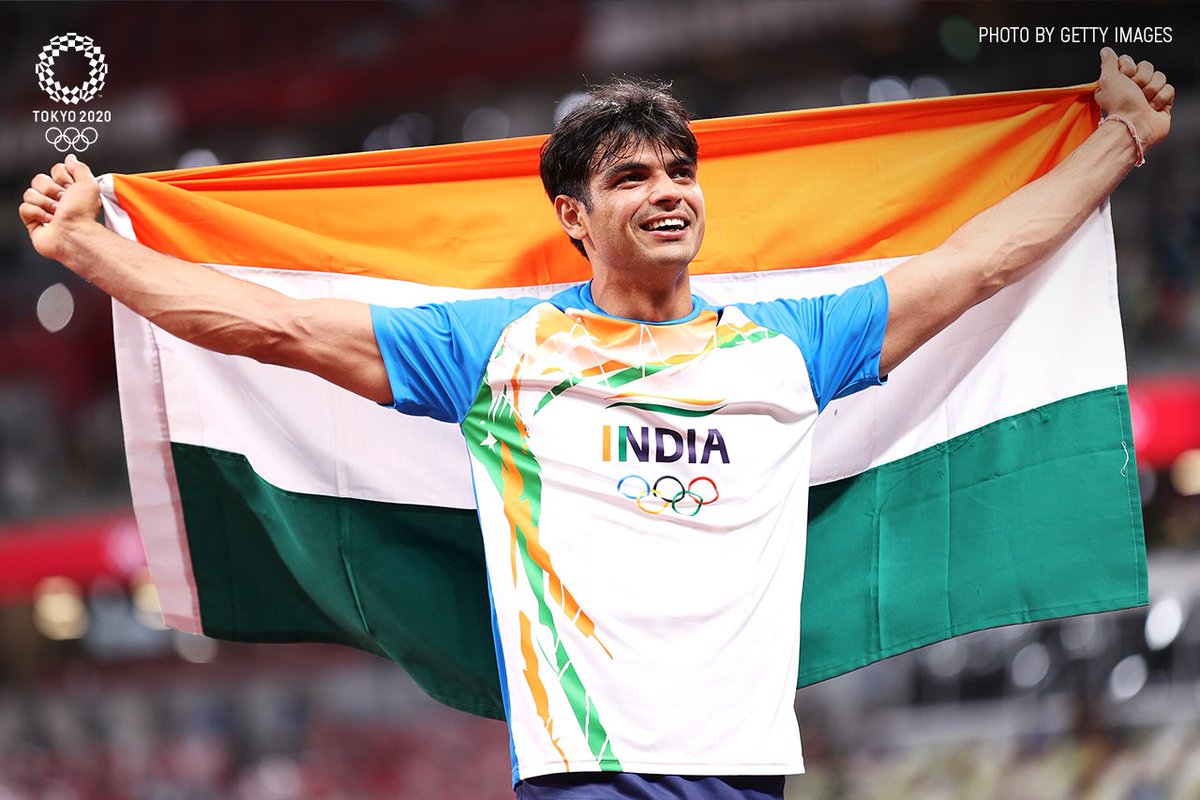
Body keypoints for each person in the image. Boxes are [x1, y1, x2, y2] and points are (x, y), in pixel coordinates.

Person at [18, 48, 1174, 799]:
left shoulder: (789, 344)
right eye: (632, 178)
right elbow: (272, 325)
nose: (668, 191)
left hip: (749, 769)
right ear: (574, 217)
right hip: (589, 771)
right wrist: (93, 251)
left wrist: (1118, 138)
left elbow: (979, 264)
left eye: (680, 170)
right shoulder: (499, 349)